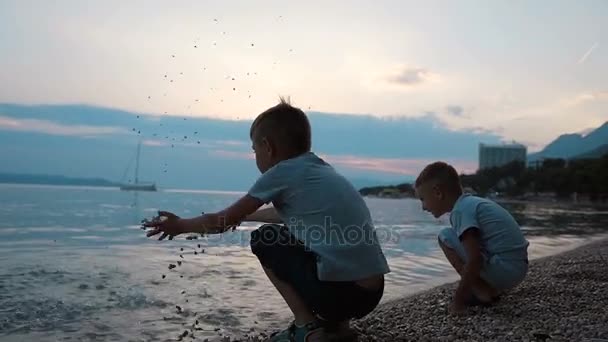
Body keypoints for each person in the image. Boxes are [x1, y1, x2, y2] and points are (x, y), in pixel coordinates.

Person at [144, 98, 390, 341]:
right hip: (371, 293)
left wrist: (180, 225)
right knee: (303, 239)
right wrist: (247, 215)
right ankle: (337, 328)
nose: (256, 157)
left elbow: (220, 221)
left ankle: (306, 327)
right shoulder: (319, 169)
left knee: (264, 239)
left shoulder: (282, 172)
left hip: (342, 296)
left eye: (254, 150)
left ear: (267, 146)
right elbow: (290, 215)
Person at [414, 161, 529, 315]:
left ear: (437, 192)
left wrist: (458, 302)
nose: (423, 207)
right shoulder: (470, 203)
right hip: (517, 267)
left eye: (423, 199)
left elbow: (475, 259)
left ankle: (482, 292)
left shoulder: (460, 211)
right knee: (451, 234)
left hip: (506, 270)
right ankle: (488, 289)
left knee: (445, 236)